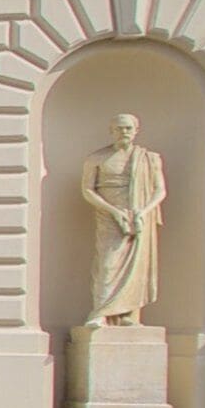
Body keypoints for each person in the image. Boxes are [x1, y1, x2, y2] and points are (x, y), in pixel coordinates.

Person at [81, 114, 168, 328]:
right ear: (111, 131)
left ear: (137, 130)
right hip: (108, 217)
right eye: (119, 128)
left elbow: (160, 190)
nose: (124, 132)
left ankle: (129, 315)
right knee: (108, 264)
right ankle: (100, 313)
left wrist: (143, 211)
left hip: (139, 217)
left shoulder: (150, 158)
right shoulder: (97, 158)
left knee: (137, 266)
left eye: (128, 128)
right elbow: (88, 190)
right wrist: (112, 211)